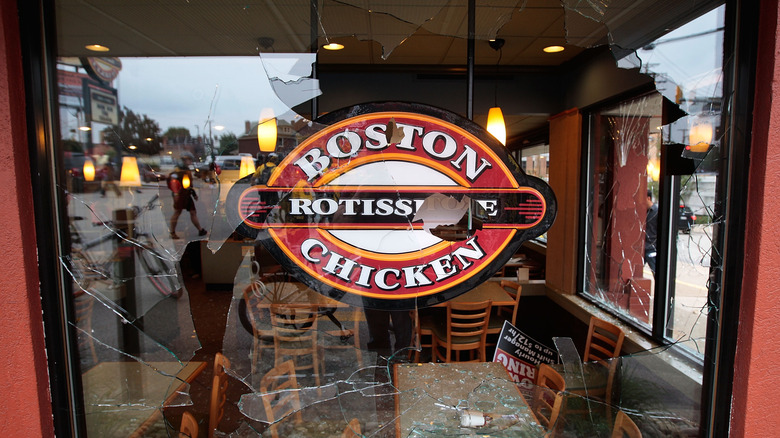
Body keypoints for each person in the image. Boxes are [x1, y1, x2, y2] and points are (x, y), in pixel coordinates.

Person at [168, 153, 207, 239]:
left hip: (186, 194)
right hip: (180, 194)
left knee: (193, 212)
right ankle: (172, 232)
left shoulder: (186, 170)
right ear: (184, 160)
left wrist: (193, 194)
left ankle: (200, 230)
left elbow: (188, 185)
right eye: (189, 160)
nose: (190, 161)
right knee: (177, 212)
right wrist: (176, 194)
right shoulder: (177, 171)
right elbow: (173, 183)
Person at [645, 190, 658, 276]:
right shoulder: (642, 212)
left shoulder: (656, 212)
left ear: (648, 198)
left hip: (652, 248)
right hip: (641, 248)